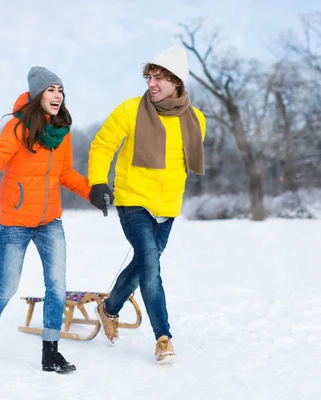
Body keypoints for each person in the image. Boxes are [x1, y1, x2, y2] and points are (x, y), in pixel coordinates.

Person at [0, 66, 90, 373]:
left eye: (61, 90)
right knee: (8, 286)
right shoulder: (17, 128)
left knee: (56, 285)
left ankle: (50, 353)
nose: (57, 95)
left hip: (50, 221)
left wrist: (93, 193)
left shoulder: (62, 132)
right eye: (51, 90)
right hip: (15, 221)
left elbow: (65, 172)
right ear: (38, 94)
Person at [87, 45, 206, 363]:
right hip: (133, 202)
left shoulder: (196, 120)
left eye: (160, 78)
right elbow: (102, 145)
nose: (152, 84)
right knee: (151, 267)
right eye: (149, 77)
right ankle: (163, 337)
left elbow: (182, 164)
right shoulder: (129, 111)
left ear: (177, 82)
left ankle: (108, 308)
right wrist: (98, 182)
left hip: (166, 209)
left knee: (143, 266)